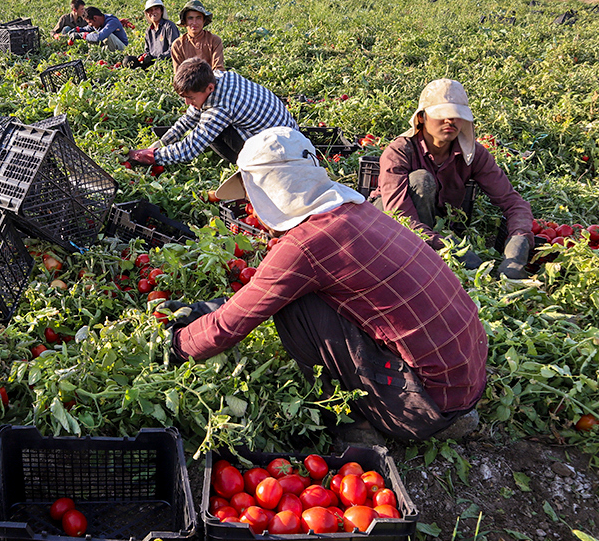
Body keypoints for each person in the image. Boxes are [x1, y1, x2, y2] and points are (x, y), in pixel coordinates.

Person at [165, 127, 487, 442]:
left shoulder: (306, 245)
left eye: (252, 196)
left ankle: (352, 423)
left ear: (268, 191)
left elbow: (229, 325)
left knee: (294, 304)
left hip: (423, 408)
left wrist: (176, 345)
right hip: (462, 381)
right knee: (300, 292)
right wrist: (210, 310)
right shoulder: (356, 211)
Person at [369, 78, 534, 278]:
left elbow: (512, 201)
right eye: (441, 115)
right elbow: (399, 215)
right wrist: (445, 245)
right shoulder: (400, 151)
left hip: (438, 227)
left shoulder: (473, 155)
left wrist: (518, 244)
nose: (450, 121)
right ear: (421, 117)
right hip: (389, 226)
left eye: (457, 115)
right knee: (421, 180)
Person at [127, 57, 297, 166]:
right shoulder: (218, 77)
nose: (187, 103)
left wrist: (152, 157)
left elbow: (188, 150)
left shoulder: (222, 106)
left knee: (210, 132)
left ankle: (247, 165)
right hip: (288, 136)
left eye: (190, 98)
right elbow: (189, 119)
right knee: (206, 123)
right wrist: (160, 143)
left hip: (282, 153)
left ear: (209, 88)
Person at [125, 0, 180, 69]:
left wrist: (159, 58)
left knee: (158, 66)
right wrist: (144, 56)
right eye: (150, 10)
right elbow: (147, 51)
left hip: (165, 62)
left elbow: (174, 49)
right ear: (147, 14)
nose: (153, 12)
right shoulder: (149, 31)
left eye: (156, 9)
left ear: (161, 11)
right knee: (128, 60)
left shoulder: (169, 26)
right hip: (152, 62)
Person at [170, 0, 224, 72]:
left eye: (198, 18)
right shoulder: (178, 45)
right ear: (185, 21)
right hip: (187, 79)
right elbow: (178, 74)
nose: (194, 23)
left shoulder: (214, 40)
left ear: (204, 20)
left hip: (212, 78)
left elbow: (219, 70)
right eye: (190, 18)